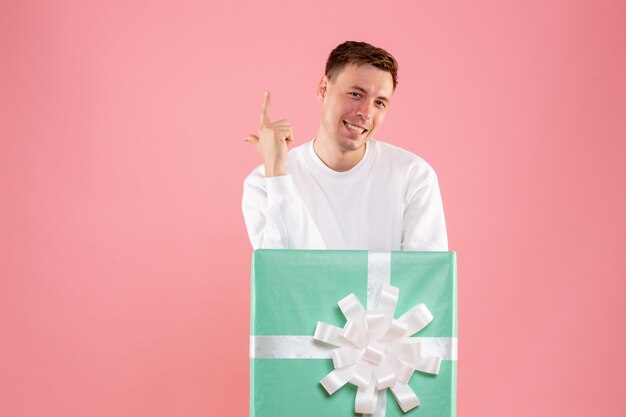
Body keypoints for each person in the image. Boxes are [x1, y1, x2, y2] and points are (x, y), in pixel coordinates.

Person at [242, 41, 448, 251]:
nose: (366, 113)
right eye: (356, 94)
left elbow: (423, 277)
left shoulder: (414, 176)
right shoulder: (263, 184)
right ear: (323, 89)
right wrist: (277, 175)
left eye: (379, 103)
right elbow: (282, 273)